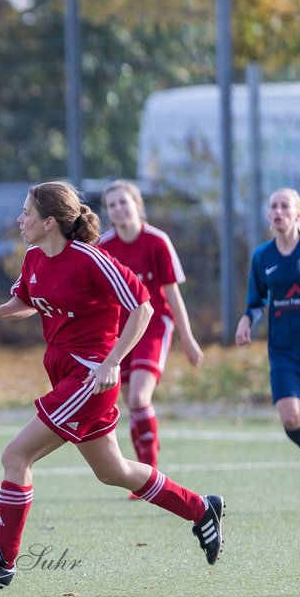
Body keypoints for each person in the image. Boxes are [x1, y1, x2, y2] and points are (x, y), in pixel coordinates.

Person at [0, 181, 224, 588]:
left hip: (88, 378)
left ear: (49, 221)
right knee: (113, 471)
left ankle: (3, 559)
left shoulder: (91, 260)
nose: (19, 219)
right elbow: (26, 303)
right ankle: (200, 508)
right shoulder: (34, 258)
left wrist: (112, 362)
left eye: (26, 212)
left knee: (15, 456)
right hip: (66, 372)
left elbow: (143, 307)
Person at [98, 180, 204, 479]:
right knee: (131, 402)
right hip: (121, 332)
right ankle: (145, 472)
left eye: (123, 202)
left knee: (139, 399)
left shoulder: (157, 241)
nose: (119, 209)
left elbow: (172, 294)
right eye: (112, 205)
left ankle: (150, 474)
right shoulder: (104, 247)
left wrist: (188, 337)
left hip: (154, 326)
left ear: (137, 204)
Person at [234, 187, 300, 489]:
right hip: (284, 352)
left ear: (299, 213)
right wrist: (246, 320)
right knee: (292, 416)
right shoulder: (262, 256)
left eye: (284, 206)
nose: (278, 212)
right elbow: (256, 303)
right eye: (273, 207)